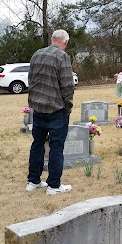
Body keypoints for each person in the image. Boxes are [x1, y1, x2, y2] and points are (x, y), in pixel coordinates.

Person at [26, 29, 74, 195]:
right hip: (56, 110)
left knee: (37, 144)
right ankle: (54, 186)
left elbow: (30, 80)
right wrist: (68, 107)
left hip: (38, 108)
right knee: (56, 147)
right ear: (65, 42)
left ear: (53, 40)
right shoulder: (62, 56)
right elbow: (67, 86)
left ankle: (33, 181)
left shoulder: (36, 54)